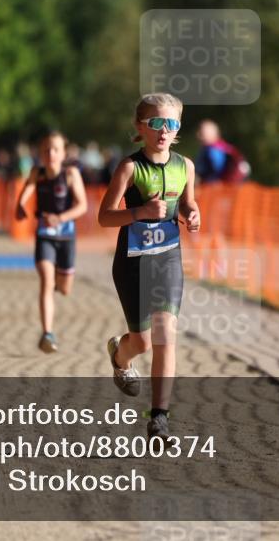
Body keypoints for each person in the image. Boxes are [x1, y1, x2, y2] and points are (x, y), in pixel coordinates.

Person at [98, 93, 200, 442]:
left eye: (171, 124)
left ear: (178, 130)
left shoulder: (185, 166)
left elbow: (187, 204)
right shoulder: (129, 167)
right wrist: (139, 213)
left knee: (165, 336)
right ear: (140, 127)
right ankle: (119, 355)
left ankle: (159, 419)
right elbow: (104, 216)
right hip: (133, 262)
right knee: (141, 342)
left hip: (168, 259)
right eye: (156, 123)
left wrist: (192, 215)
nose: (164, 131)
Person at [15, 132, 88, 353]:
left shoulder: (71, 173)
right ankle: (47, 333)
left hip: (66, 237)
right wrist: (20, 204)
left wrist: (61, 218)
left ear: (63, 153)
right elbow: (28, 187)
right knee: (46, 280)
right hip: (44, 235)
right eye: (46, 149)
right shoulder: (37, 172)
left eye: (55, 149)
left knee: (64, 289)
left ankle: (59, 278)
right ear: (40, 153)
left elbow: (82, 206)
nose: (51, 154)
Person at [195, 119, 249, 184]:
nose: (198, 136)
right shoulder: (225, 147)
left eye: (201, 133)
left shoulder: (212, 151)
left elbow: (215, 171)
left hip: (217, 188)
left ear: (212, 134)